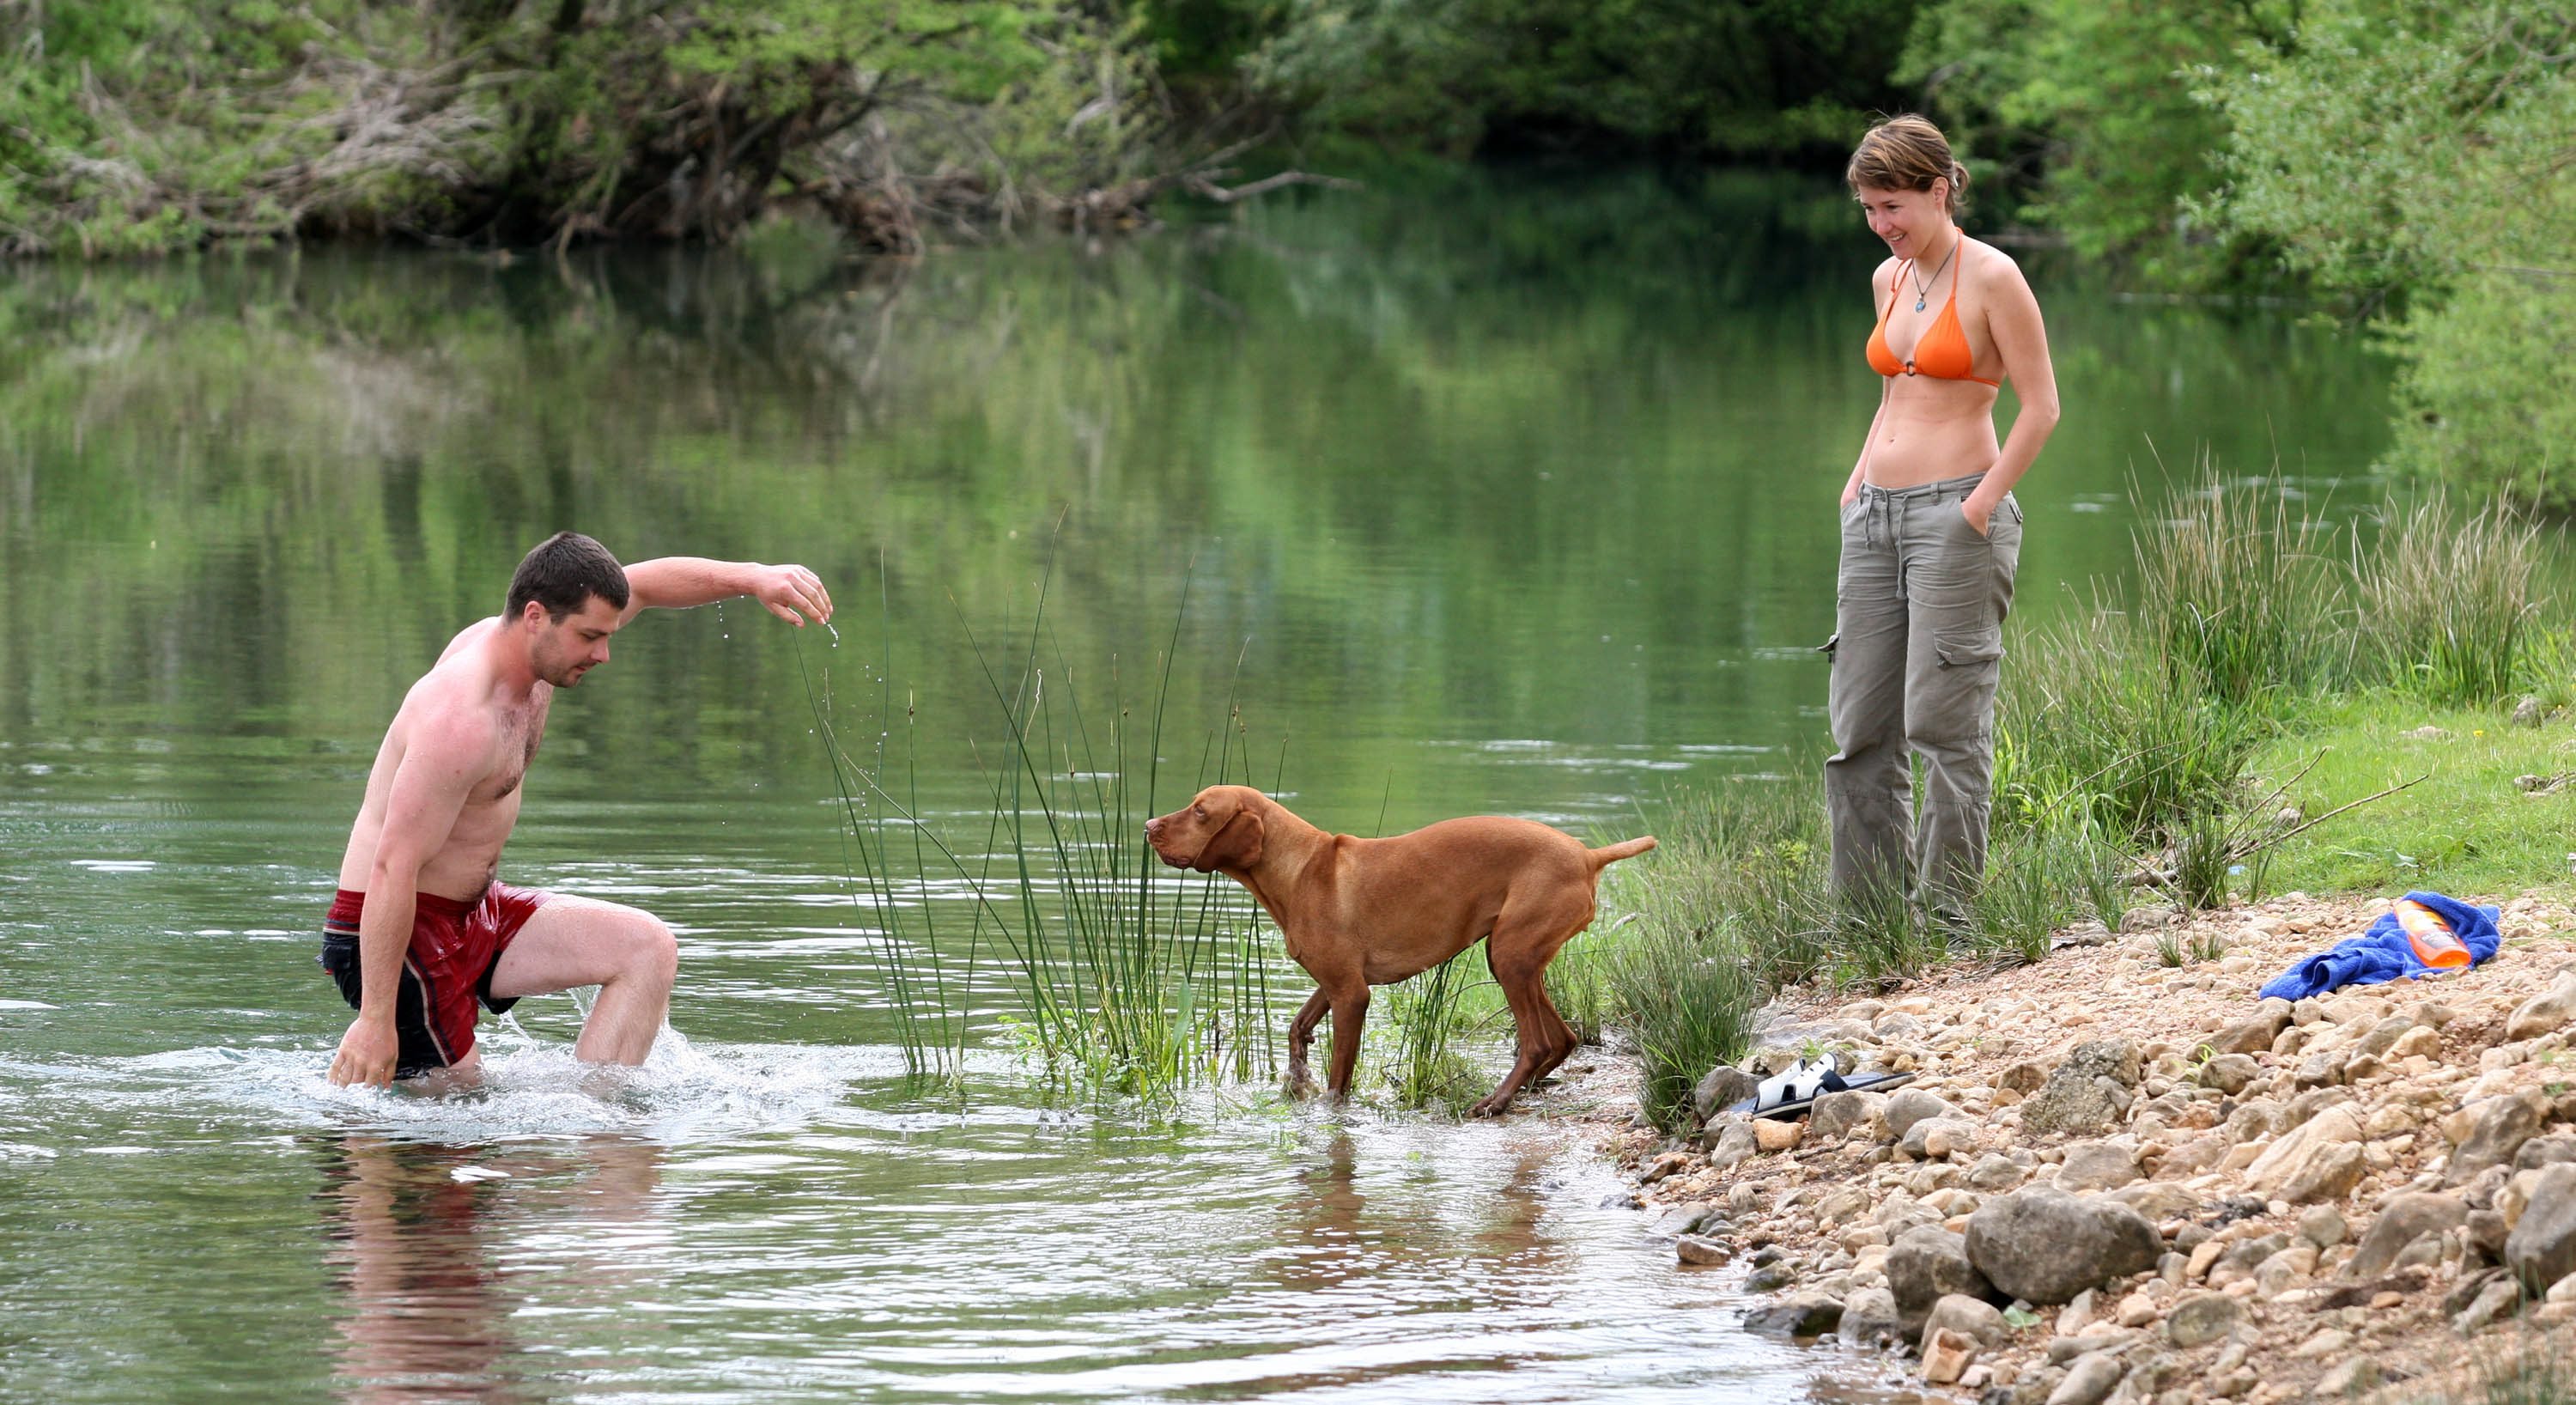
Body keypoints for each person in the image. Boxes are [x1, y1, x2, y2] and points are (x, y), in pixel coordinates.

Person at [322, 532, 833, 1087]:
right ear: (536, 617)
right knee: (460, 1116)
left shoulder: (545, 649)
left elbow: (646, 584)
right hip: (400, 934)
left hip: (473, 914)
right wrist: (376, 1021)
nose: (604, 654)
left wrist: (753, 576)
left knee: (645, 949)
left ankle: (597, 1137)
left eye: (607, 634)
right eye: (590, 637)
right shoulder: (460, 717)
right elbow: (392, 866)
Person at [1826, 114, 2061, 932]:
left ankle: (1949, 918)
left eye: (1893, 205)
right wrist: (1857, 486)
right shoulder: (1889, 281)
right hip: (1874, 520)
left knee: (1943, 725)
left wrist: (1980, 504)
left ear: (1939, 189)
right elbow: (1893, 393)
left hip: (1956, 517)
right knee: (1859, 725)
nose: (1882, 225)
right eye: (1868, 209)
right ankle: (1866, 922)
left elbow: (2042, 408)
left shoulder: (1994, 278)